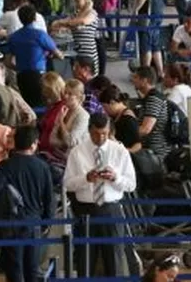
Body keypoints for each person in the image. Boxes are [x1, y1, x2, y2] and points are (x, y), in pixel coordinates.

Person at [63, 113, 137, 278]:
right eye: (96, 133)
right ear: (89, 131)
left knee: (115, 260)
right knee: (85, 260)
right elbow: (67, 183)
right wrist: (85, 178)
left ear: (109, 130)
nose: (101, 137)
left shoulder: (119, 151)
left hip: (111, 209)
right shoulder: (77, 152)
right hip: (85, 210)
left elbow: (131, 184)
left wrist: (115, 177)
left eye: (104, 133)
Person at [0, 126, 56, 282]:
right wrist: (46, 222)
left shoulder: (5, 166)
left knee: (14, 269)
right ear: (34, 144)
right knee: (32, 269)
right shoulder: (43, 167)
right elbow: (49, 199)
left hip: (11, 223)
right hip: (34, 222)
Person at [5, 5, 64, 108]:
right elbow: (59, 55)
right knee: (42, 106)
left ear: (20, 18)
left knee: (28, 106)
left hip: (22, 76)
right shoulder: (40, 35)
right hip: (39, 76)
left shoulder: (14, 37)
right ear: (35, 18)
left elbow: (8, 62)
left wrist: (20, 67)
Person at [134, 0, 165, 77]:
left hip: (147, 14)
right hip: (158, 12)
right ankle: (160, 72)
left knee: (146, 44)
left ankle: (145, 74)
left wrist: (137, 9)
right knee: (155, 45)